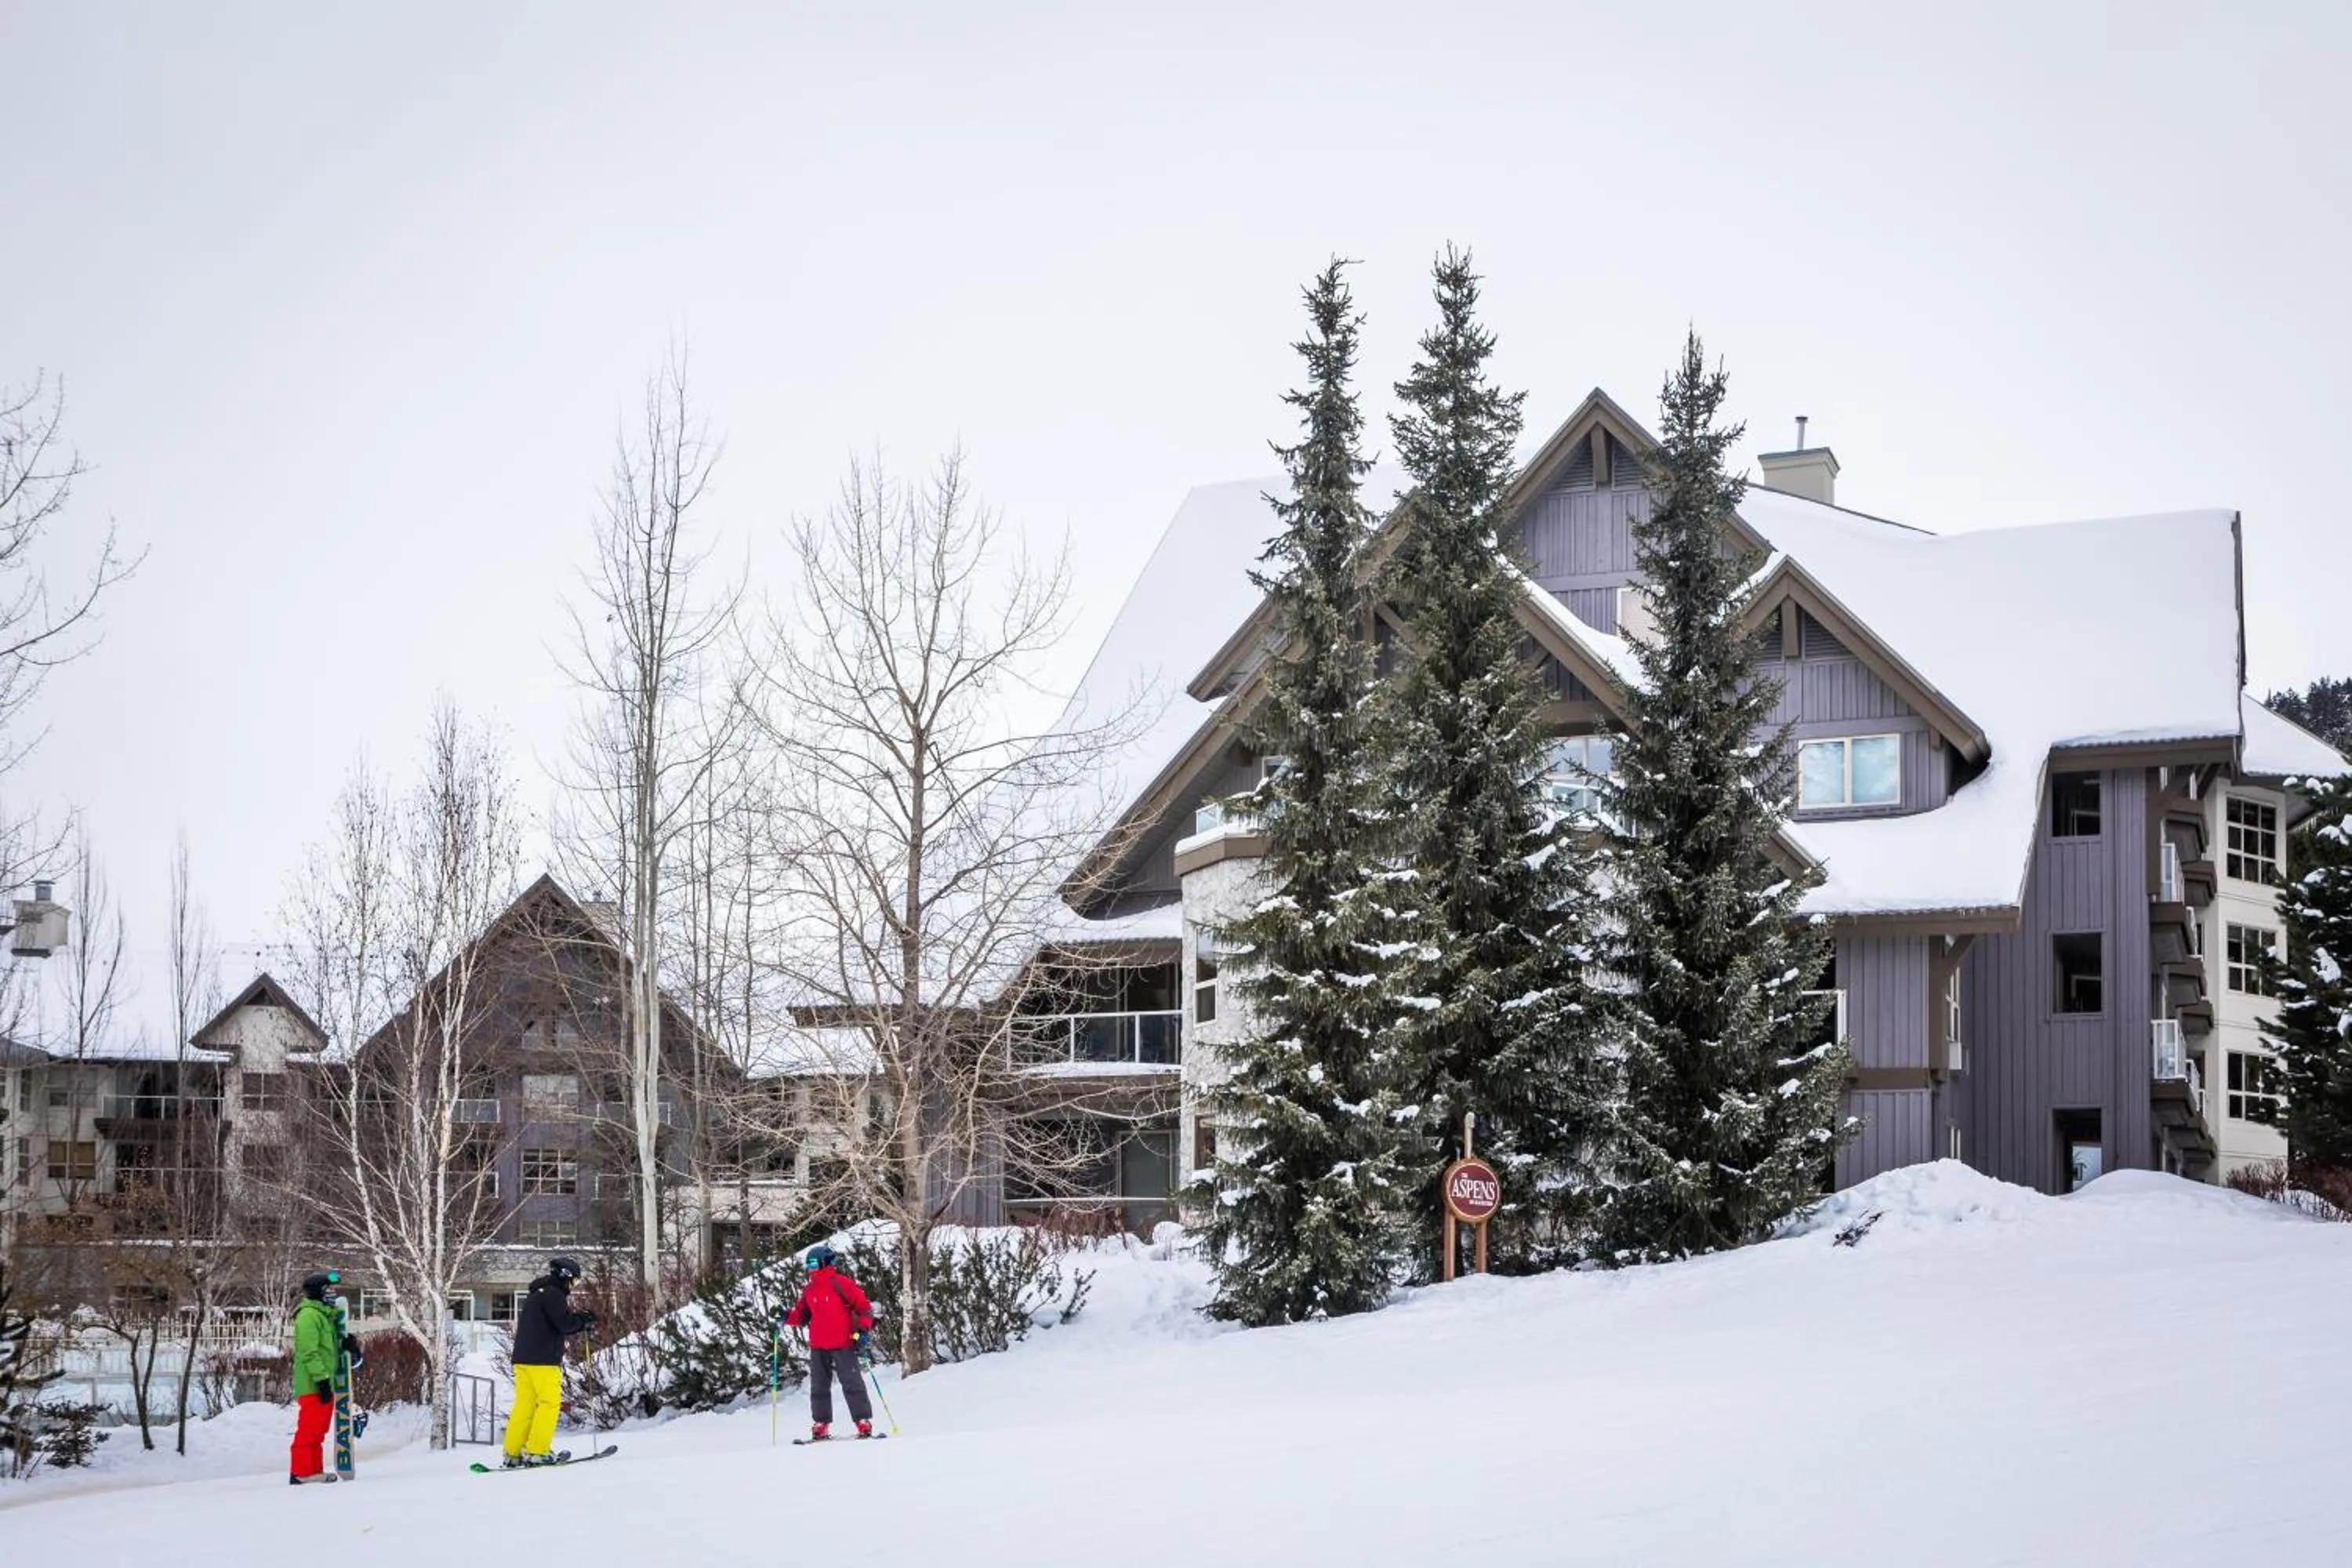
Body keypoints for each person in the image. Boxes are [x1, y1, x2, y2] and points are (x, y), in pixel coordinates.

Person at [503, 1255, 597, 1468]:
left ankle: (513, 1452)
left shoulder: (537, 1294)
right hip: (543, 1361)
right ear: (565, 1277)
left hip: (523, 1359)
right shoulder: (554, 1295)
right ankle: (537, 1451)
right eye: (574, 1281)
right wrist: (584, 1320)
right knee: (549, 1404)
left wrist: (577, 1319)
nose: (573, 1286)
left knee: (524, 1406)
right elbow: (564, 1324)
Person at [781, 1243, 877, 1440]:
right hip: (818, 1346)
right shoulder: (809, 1290)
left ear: (825, 1263)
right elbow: (801, 1317)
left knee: (852, 1384)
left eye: (814, 1264)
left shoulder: (842, 1284)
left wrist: (863, 1329)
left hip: (843, 1343)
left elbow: (864, 1308)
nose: (810, 1269)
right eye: (808, 1265)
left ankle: (862, 1421)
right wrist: (784, 1316)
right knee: (819, 1387)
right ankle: (821, 1424)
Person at [289, 1270, 350, 1485]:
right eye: (329, 1289)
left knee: (318, 1431)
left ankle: (313, 1471)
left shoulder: (324, 1316)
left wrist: (347, 1344)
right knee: (309, 1430)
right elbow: (309, 1352)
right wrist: (322, 1380)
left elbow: (328, 1349)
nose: (333, 1293)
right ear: (318, 1292)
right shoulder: (308, 1317)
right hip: (314, 1384)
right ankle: (301, 1472)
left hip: (324, 1383)